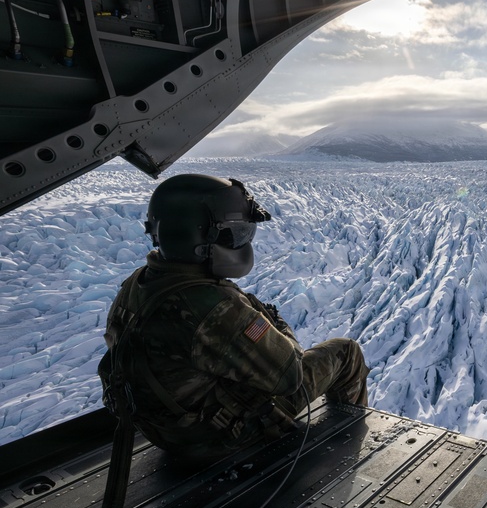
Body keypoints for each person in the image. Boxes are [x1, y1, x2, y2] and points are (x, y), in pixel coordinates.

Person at [97, 173, 368, 460]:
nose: (242, 242)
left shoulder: (139, 283)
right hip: (213, 438)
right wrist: (275, 324)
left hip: (164, 430)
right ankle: (350, 447)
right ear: (199, 236)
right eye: (236, 233)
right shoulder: (211, 307)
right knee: (346, 352)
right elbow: (290, 374)